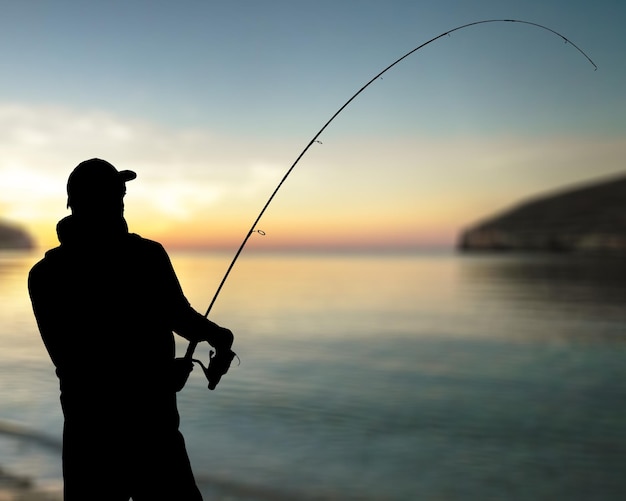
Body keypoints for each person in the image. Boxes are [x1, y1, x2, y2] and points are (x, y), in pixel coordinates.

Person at [28, 158, 235, 501]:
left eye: (122, 194)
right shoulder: (146, 256)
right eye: (115, 194)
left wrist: (218, 336)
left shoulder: (45, 274)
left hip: (86, 435)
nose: (122, 201)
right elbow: (79, 360)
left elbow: (73, 362)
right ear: (93, 201)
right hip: (149, 432)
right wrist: (160, 377)